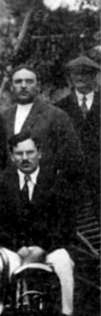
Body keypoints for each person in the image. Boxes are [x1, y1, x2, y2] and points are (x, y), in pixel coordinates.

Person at [0, 132, 77, 316]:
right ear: (11, 156)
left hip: (47, 247)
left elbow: (65, 226)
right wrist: (19, 247)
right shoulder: (1, 181)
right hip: (15, 248)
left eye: (30, 152)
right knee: (3, 263)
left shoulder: (56, 180)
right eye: (19, 153)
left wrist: (41, 248)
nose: (25, 158)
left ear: (40, 153)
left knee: (62, 262)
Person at [0, 65, 84, 182]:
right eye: (18, 82)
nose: (23, 86)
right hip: (11, 189)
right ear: (11, 87)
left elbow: (72, 158)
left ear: (38, 86)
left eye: (29, 81)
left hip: (46, 189)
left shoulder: (55, 115)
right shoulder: (3, 117)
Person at [55, 55, 100, 219]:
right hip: (72, 177)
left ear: (93, 76)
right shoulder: (59, 108)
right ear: (70, 77)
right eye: (75, 74)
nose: (79, 78)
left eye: (85, 73)